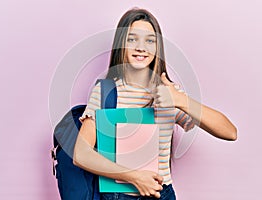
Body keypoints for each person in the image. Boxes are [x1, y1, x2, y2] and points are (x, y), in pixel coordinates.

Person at [73, 7, 237, 200]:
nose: (141, 47)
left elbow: (230, 132)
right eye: (132, 39)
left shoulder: (168, 92)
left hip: (162, 194)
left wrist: (180, 100)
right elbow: (81, 154)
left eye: (150, 40)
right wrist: (134, 177)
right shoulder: (105, 92)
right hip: (118, 195)